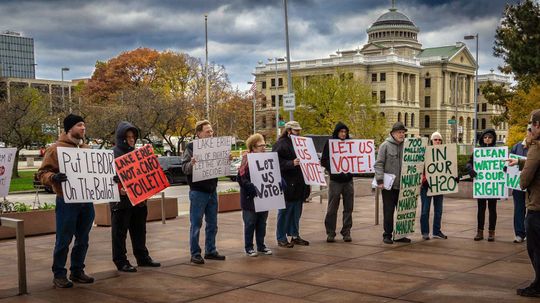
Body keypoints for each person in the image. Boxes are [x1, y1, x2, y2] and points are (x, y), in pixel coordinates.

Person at [37, 114, 95, 288]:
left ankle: (77, 270)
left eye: (84, 125)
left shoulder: (86, 149)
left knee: (83, 239)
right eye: (79, 125)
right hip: (66, 201)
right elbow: (42, 174)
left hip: (86, 201)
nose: (83, 128)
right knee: (64, 239)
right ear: (70, 128)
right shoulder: (55, 149)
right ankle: (59, 274)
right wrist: (53, 177)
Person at [110, 121, 160, 272]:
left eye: (133, 136)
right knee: (120, 233)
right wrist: (118, 188)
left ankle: (142, 257)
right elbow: (106, 178)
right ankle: (121, 261)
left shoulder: (137, 154)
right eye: (128, 137)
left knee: (140, 230)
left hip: (139, 201)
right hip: (121, 202)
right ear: (121, 138)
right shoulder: (112, 154)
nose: (131, 139)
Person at [181, 120, 225, 264]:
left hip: (212, 190)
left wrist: (226, 160)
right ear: (199, 133)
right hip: (198, 191)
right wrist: (192, 164)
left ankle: (210, 250)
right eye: (207, 131)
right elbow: (184, 168)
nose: (211, 134)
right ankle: (195, 253)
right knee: (196, 224)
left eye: (211, 131)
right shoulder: (191, 147)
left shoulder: (216, 146)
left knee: (213, 223)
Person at [509, 109, 540, 297]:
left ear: (537, 125)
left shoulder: (537, 146)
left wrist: (521, 178)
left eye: (531, 124)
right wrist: (520, 163)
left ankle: (537, 285)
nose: (530, 128)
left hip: (537, 205)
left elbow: (527, 177)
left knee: (535, 248)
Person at [273, 121, 310, 248]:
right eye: (296, 131)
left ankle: (294, 235)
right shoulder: (280, 144)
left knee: (296, 212)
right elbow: (275, 163)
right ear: (288, 131)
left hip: (299, 183)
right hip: (287, 184)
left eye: (299, 130)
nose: (298, 133)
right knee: (284, 212)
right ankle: (281, 237)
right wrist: (291, 163)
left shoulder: (302, 144)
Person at [237, 133, 273, 257]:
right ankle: (249, 247)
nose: (263, 148)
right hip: (250, 198)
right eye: (260, 145)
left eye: (264, 145)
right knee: (250, 223)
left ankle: (261, 246)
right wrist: (250, 187)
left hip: (263, 196)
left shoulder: (268, 158)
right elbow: (241, 177)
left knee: (262, 223)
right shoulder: (246, 159)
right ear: (253, 147)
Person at [374, 121, 409, 244]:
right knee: (388, 211)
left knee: (402, 212)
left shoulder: (408, 146)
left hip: (404, 186)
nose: (401, 134)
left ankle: (400, 235)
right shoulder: (385, 145)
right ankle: (387, 234)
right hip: (389, 186)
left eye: (403, 132)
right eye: (399, 132)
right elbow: (378, 164)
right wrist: (379, 180)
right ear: (393, 133)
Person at [321, 122, 354, 243]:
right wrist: (333, 168)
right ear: (337, 132)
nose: (343, 134)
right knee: (332, 209)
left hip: (348, 180)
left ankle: (346, 232)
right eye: (341, 132)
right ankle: (330, 232)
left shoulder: (351, 144)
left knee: (348, 208)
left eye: (345, 132)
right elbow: (323, 160)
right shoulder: (330, 144)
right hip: (335, 181)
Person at [467, 129, 499, 242]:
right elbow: (469, 162)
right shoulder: (478, 152)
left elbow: (504, 163)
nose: (487, 139)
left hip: (492, 185)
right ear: (482, 139)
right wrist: (470, 169)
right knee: (481, 209)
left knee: (492, 209)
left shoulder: (497, 151)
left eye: (490, 137)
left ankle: (491, 232)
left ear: (493, 139)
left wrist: (504, 168)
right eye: (485, 137)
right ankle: (479, 232)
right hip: (481, 184)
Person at [420, 131, 448, 240]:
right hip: (427, 186)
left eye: (439, 139)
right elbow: (420, 168)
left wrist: (452, 178)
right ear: (431, 141)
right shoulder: (426, 152)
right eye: (435, 139)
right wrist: (424, 180)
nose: (437, 141)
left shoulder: (446, 153)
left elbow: (449, 168)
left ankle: (436, 231)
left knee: (438, 210)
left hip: (439, 186)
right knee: (425, 210)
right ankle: (425, 232)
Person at [510, 129, 530, 243]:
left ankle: (529, 232)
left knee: (532, 211)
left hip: (532, 185)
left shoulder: (536, 147)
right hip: (517, 184)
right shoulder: (517, 147)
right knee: (519, 209)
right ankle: (519, 234)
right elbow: (508, 163)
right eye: (529, 132)